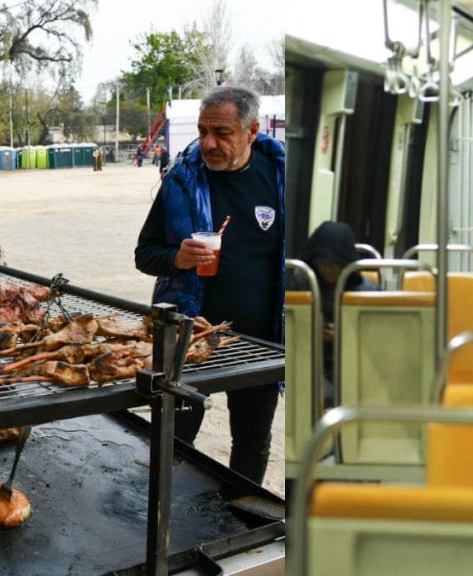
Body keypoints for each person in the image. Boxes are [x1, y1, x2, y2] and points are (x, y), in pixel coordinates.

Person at [135, 86, 285, 485]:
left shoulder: (282, 179)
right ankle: (167, 526)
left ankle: (241, 518)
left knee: (252, 442)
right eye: (202, 131)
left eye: (222, 133)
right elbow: (144, 253)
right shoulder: (181, 182)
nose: (208, 143)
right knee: (173, 440)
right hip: (190, 342)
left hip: (260, 342)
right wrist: (176, 260)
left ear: (252, 131)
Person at [287, 221, 379, 405]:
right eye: (323, 263)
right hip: (310, 364)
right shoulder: (302, 285)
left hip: (354, 364)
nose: (328, 269)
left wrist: (344, 336)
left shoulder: (367, 292)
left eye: (335, 264)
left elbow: (379, 340)